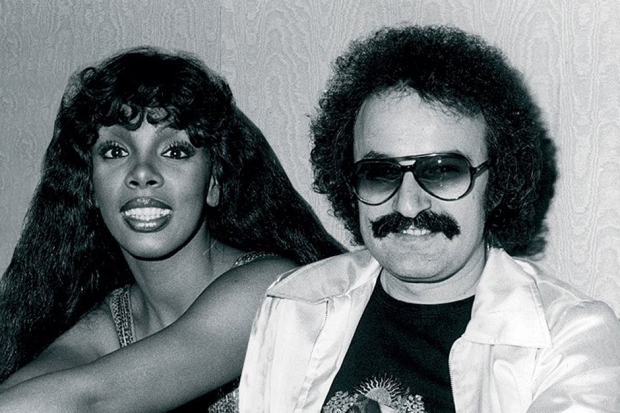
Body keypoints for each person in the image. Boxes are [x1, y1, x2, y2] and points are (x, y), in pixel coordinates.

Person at [240, 25, 620, 412]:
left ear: (498, 181)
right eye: (380, 173)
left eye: (442, 171)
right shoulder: (296, 304)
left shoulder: (570, 339)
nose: (408, 204)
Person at [0, 46, 344, 411]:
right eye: (116, 151)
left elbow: (93, 399)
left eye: (175, 151)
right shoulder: (112, 323)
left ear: (214, 182)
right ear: (90, 187)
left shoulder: (270, 292)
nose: (142, 173)